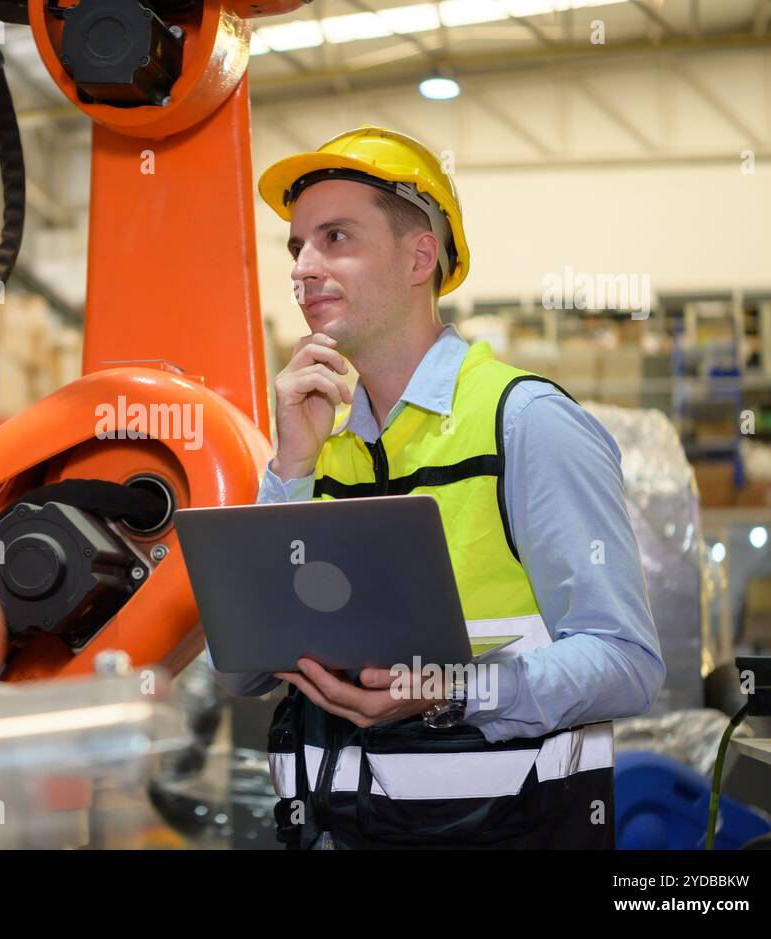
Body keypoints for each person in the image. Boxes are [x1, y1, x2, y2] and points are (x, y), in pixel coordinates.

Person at [207, 126, 665, 849]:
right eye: (296, 247)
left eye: (335, 237)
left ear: (420, 255)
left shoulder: (526, 424)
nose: (303, 268)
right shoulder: (322, 444)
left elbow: (628, 661)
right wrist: (289, 470)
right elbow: (235, 674)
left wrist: (456, 689)